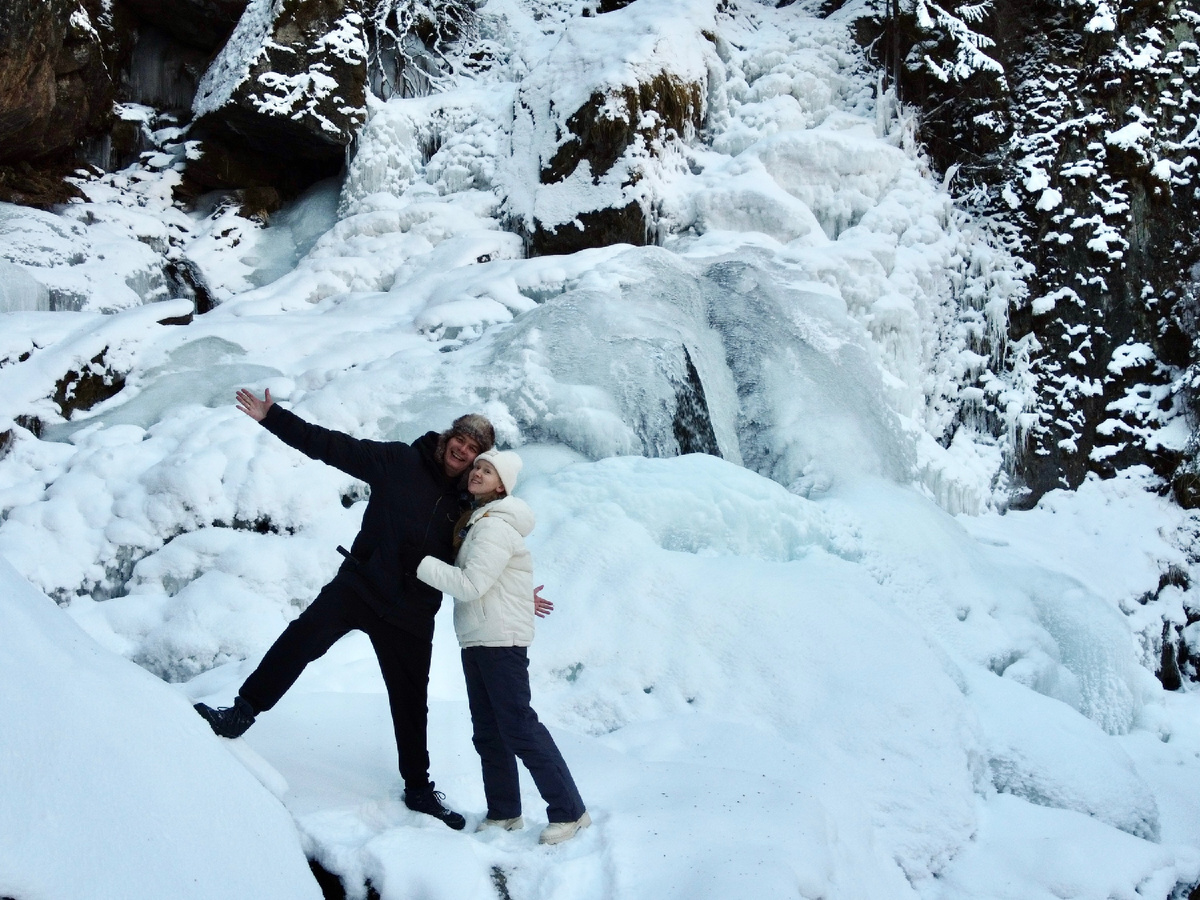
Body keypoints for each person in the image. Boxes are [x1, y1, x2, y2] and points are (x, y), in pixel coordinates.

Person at [194, 387, 495, 830]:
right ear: (448, 437)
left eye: (472, 449)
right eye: (460, 440)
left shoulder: (470, 503)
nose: (462, 450)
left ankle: (418, 788)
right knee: (298, 641)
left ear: (478, 460)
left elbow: (487, 555)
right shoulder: (400, 461)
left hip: (412, 613)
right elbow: (332, 446)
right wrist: (273, 417)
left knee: (411, 702)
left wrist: (515, 590)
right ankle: (241, 713)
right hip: (361, 585)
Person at [416, 449, 590, 845]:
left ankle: (570, 812)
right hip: (480, 637)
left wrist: (419, 563)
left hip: (500, 640)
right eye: (477, 467)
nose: (477, 472)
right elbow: (494, 577)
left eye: (487, 470)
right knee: (489, 732)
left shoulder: (493, 526)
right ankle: (504, 812)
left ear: (501, 486)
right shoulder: (478, 520)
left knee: (519, 728)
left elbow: (471, 584)